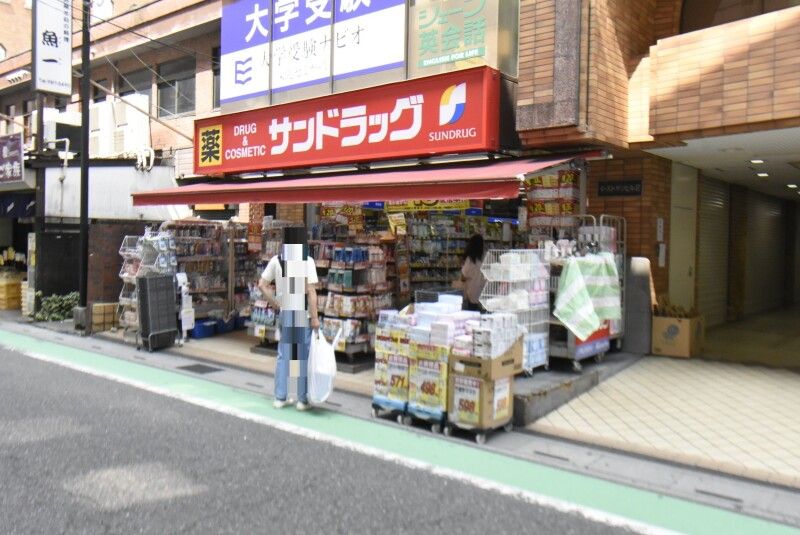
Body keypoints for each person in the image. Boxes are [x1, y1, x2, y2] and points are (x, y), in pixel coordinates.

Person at [258, 226, 320, 411]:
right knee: (300, 358)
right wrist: (315, 318)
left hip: (286, 312)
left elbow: (262, 284)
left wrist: (274, 302)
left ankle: (280, 397)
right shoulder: (307, 261)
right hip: (301, 313)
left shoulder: (277, 260)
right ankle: (302, 400)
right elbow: (311, 291)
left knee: (284, 356)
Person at [459, 234, 486, 311]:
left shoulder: (471, 259)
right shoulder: (488, 256)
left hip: (472, 292)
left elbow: (463, 277)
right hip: (485, 292)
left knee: (472, 314)